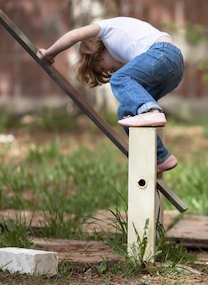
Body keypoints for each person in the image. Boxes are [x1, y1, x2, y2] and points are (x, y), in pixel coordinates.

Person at [37, 16, 184, 173]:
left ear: (98, 54)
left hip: (162, 54)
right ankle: (161, 157)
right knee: (126, 111)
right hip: (174, 67)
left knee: (119, 78)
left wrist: (50, 53)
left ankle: (150, 111)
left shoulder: (104, 30)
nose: (107, 71)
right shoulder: (126, 46)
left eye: (101, 68)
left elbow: (73, 36)